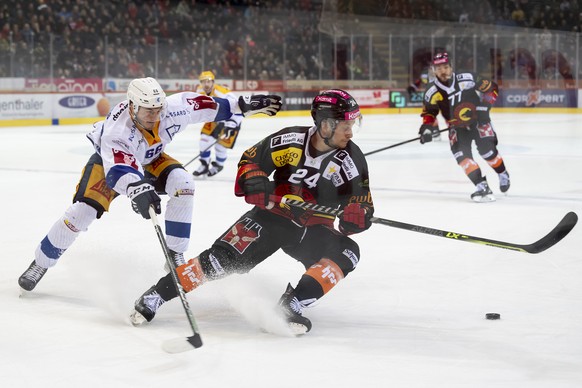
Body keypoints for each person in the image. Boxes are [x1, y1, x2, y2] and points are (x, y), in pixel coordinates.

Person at [129, 89, 374, 335]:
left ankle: (292, 305)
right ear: (326, 124)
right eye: (345, 125)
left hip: (313, 231)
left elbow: (362, 203)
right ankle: (156, 295)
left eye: (352, 124)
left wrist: (357, 217)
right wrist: (253, 179)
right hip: (271, 219)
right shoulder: (289, 140)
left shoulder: (353, 160)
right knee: (217, 262)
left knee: (348, 252)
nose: (350, 132)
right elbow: (250, 161)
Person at [18, 77, 282, 292]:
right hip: (109, 165)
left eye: (158, 109)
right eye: (148, 111)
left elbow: (212, 105)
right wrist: (138, 189)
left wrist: (245, 103)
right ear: (133, 106)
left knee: (184, 183)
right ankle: (42, 262)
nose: (155, 115)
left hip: (152, 158)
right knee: (81, 213)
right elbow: (119, 170)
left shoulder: (173, 106)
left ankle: (174, 255)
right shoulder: (116, 130)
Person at [418, 52, 510, 202]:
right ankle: (481, 186)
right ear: (434, 70)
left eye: (446, 67)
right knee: (462, 157)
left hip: (479, 121)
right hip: (456, 127)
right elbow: (429, 112)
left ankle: (502, 173)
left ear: (451, 67)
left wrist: (483, 109)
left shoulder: (467, 78)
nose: (443, 71)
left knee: (488, 153)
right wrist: (427, 128)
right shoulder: (431, 91)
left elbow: (491, 88)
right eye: (439, 68)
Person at [192, 71, 243, 177]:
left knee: (221, 146)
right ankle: (204, 164)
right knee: (204, 140)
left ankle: (218, 165)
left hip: (230, 122)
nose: (206, 84)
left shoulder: (223, 93)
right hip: (214, 120)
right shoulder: (199, 91)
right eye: (203, 82)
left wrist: (233, 123)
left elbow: (239, 108)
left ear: (213, 82)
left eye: (208, 81)